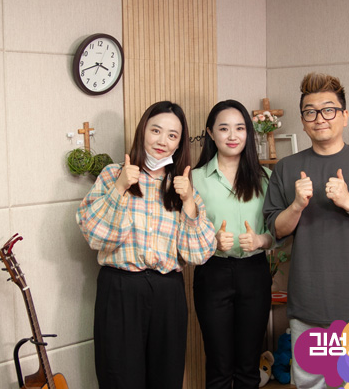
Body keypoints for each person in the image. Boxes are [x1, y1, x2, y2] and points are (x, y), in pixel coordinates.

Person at [262, 73, 349, 388]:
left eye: (328, 110)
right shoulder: (286, 168)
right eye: (310, 112)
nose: (319, 118)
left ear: (344, 116)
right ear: (303, 121)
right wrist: (297, 205)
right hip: (308, 306)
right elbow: (276, 230)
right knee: (311, 385)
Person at [76, 101, 217, 389]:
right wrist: (120, 187)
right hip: (121, 289)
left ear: (179, 143)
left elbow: (199, 254)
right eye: (156, 130)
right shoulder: (113, 174)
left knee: (166, 378)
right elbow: (95, 235)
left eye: (172, 135)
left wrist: (189, 201)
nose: (163, 141)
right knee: (119, 377)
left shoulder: (182, 185)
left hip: (168, 293)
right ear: (142, 131)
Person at [192, 99, 274, 389]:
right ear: (210, 133)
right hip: (212, 272)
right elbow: (183, 232)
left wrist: (260, 240)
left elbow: (277, 231)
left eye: (240, 128)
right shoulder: (194, 179)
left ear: (248, 133)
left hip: (254, 273)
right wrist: (211, 241)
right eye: (224, 128)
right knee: (218, 365)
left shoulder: (265, 178)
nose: (232, 135)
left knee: (249, 366)